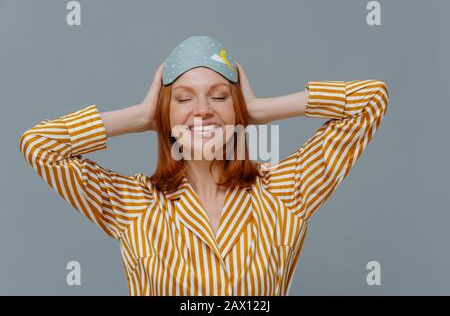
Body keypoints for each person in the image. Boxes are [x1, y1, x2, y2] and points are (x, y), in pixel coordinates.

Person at [19, 35, 389, 295]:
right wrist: (141, 115)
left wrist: (258, 109)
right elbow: (40, 145)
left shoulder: (285, 191)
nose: (203, 110)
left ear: (236, 108)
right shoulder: (133, 204)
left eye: (219, 96)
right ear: (166, 114)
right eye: (183, 99)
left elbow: (370, 100)